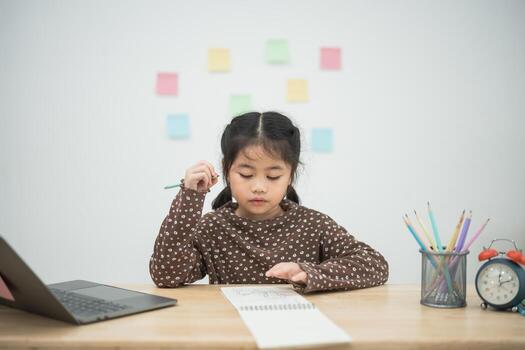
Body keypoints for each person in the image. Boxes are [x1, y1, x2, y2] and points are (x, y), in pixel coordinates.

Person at [149, 111, 388, 293]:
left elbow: (375, 265)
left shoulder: (313, 225)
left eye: (273, 176)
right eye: (246, 174)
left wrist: (308, 273)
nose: (259, 186)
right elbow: (166, 275)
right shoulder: (214, 227)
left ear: (290, 176)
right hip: (231, 335)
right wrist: (190, 198)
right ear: (226, 171)